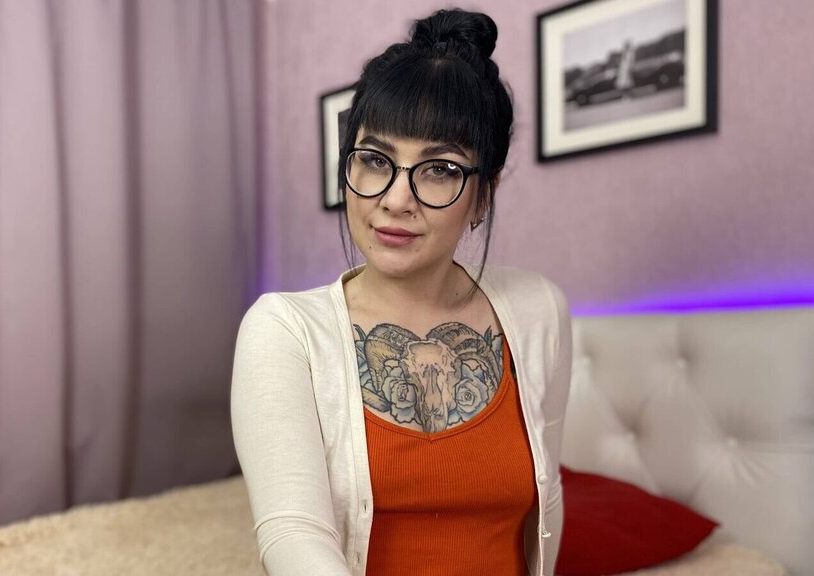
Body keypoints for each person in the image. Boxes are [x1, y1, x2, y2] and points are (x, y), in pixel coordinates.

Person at [231, 8, 571, 576]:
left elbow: (546, 503)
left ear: (483, 197)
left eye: (439, 169)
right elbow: (293, 534)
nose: (395, 199)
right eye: (374, 160)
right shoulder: (283, 331)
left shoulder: (540, 310)